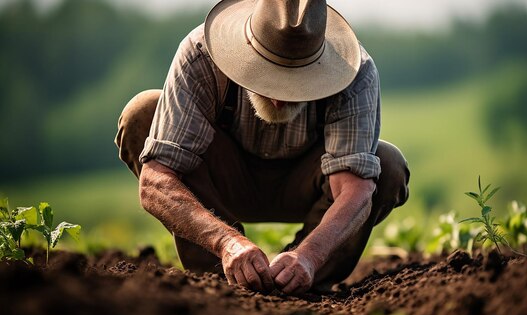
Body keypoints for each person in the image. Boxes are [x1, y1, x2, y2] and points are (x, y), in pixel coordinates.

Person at [115, 0, 409, 295]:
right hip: (222, 181)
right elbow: (155, 180)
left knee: (387, 164)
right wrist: (225, 242)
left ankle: (302, 282)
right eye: (270, 79)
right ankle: (217, 277)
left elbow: (354, 190)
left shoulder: (353, 72)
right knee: (144, 113)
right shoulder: (201, 56)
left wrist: (308, 257)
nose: (280, 100)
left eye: (296, 84)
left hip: (308, 187)